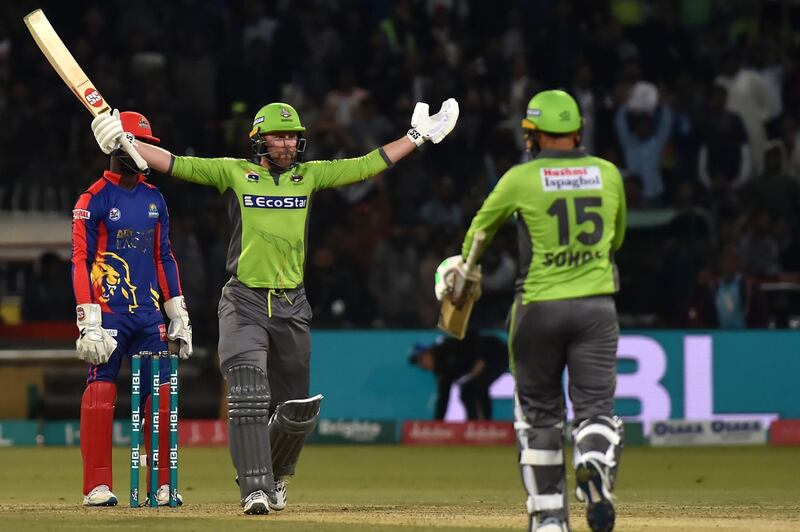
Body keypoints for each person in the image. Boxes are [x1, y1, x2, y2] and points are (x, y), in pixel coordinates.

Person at [90, 98, 459, 515]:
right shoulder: (235, 172)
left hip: (292, 305)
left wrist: (415, 137)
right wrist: (126, 143)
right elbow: (176, 163)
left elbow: (366, 164)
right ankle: (255, 489)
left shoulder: (309, 176)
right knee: (248, 391)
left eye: (292, 137)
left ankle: (277, 476)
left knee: (296, 409)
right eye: (278, 137)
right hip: (243, 301)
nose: (286, 145)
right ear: (259, 140)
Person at [436, 90, 626, 532]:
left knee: (539, 414)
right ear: (578, 132)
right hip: (597, 308)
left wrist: (460, 273)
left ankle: (548, 520)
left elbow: (478, 234)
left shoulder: (521, 178)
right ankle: (594, 461)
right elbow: (615, 241)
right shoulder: (608, 174)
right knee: (596, 409)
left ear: (532, 135)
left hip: (537, 309)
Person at [72, 111, 192, 507]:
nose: (143, 152)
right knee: (101, 391)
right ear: (115, 145)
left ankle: (161, 482)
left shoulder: (154, 197)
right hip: (108, 315)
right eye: (137, 143)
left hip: (148, 315)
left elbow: (164, 257)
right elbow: (81, 260)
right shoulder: (93, 199)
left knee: (160, 393)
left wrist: (178, 313)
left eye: (147, 145)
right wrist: (88, 320)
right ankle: (97, 486)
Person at [408, 331, 508, 420]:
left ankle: (487, 426)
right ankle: (474, 427)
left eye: (421, 359)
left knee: (478, 385)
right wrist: (436, 426)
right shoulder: (442, 372)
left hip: (495, 352)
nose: (422, 365)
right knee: (466, 392)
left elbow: (472, 334)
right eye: (418, 364)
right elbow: (443, 399)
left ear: (428, 352)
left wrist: (480, 357)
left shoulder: (447, 347)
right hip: (480, 363)